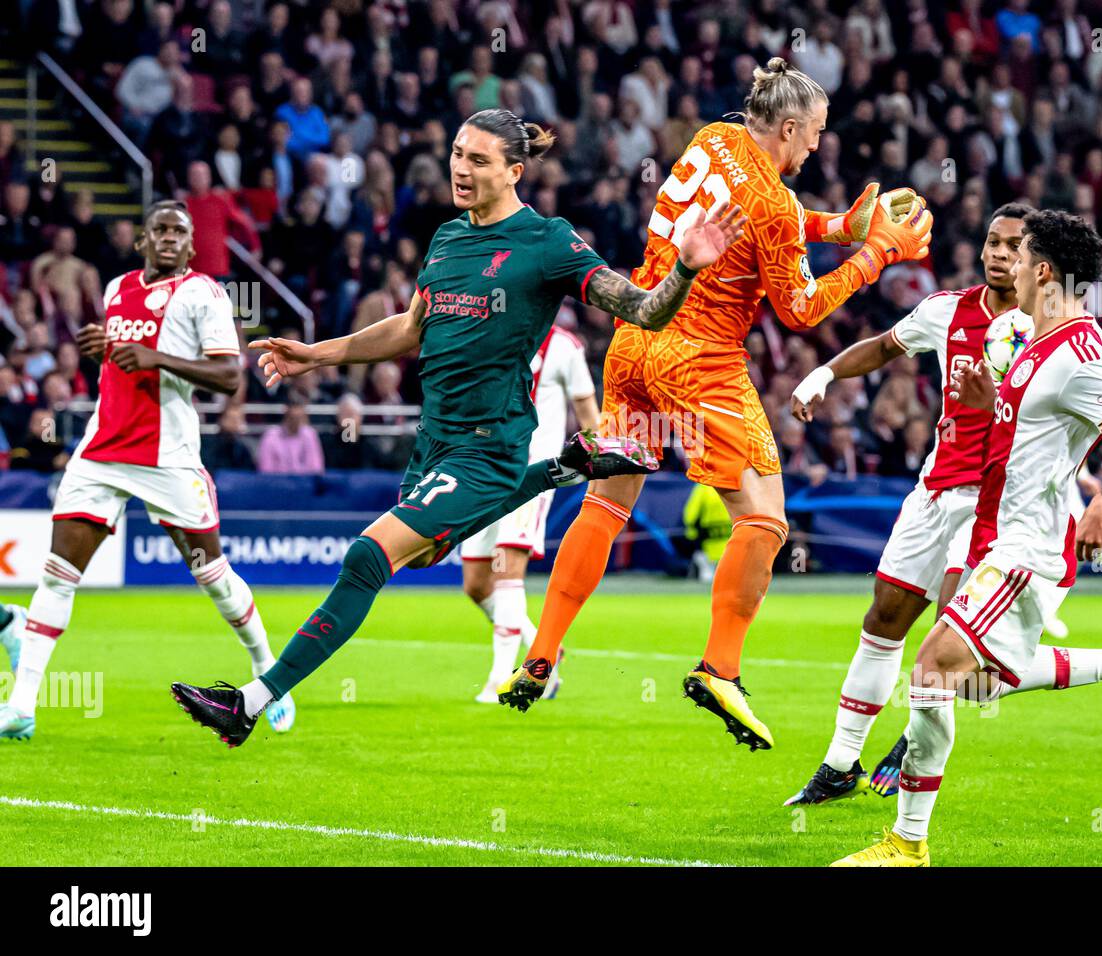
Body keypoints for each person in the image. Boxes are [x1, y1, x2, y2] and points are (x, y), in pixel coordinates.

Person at [168, 108, 745, 747]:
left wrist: (687, 268)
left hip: (488, 445)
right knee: (426, 558)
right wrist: (317, 353)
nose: (460, 168)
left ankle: (250, 702)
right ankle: (568, 468)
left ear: (514, 171)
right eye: (457, 154)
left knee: (367, 557)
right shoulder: (447, 239)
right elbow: (409, 329)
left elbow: (641, 309)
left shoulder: (548, 241)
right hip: (434, 442)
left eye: (477, 159)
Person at [499, 58, 932, 749]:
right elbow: (801, 309)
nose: (817, 147)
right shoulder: (772, 201)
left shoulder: (713, 138)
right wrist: (879, 251)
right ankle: (720, 668)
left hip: (635, 338)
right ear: (788, 127)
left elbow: (772, 221)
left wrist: (840, 228)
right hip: (699, 358)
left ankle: (542, 652)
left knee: (607, 505)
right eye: (814, 134)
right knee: (764, 520)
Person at [784, 205, 1102, 805]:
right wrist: (825, 375)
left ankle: (910, 801)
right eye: (992, 243)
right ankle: (843, 764)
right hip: (940, 491)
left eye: (1014, 247)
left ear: (1039, 266)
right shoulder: (962, 316)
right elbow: (888, 347)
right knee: (916, 640)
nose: (1001, 256)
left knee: (945, 657)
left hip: (1003, 518)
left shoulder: (1069, 336)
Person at [0, 201, 295, 741]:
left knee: (214, 578)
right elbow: (125, 361)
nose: (168, 238)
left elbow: (229, 376)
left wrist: (156, 358)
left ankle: (268, 672)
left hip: (169, 458)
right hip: (102, 450)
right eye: (158, 229)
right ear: (142, 241)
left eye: (178, 232)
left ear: (189, 245)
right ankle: (22, 706)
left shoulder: (204, 293)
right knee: (57, 574)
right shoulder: (115, 289)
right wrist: (104, 351)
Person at [461, 326, 599, 703]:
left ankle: (499, 680)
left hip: (532, 475)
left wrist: (599, 463)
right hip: (484, 470)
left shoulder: (566, 346)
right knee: (476, 583)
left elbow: (587, 412)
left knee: (508, 572)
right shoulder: (491, 334)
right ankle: (545, 652)